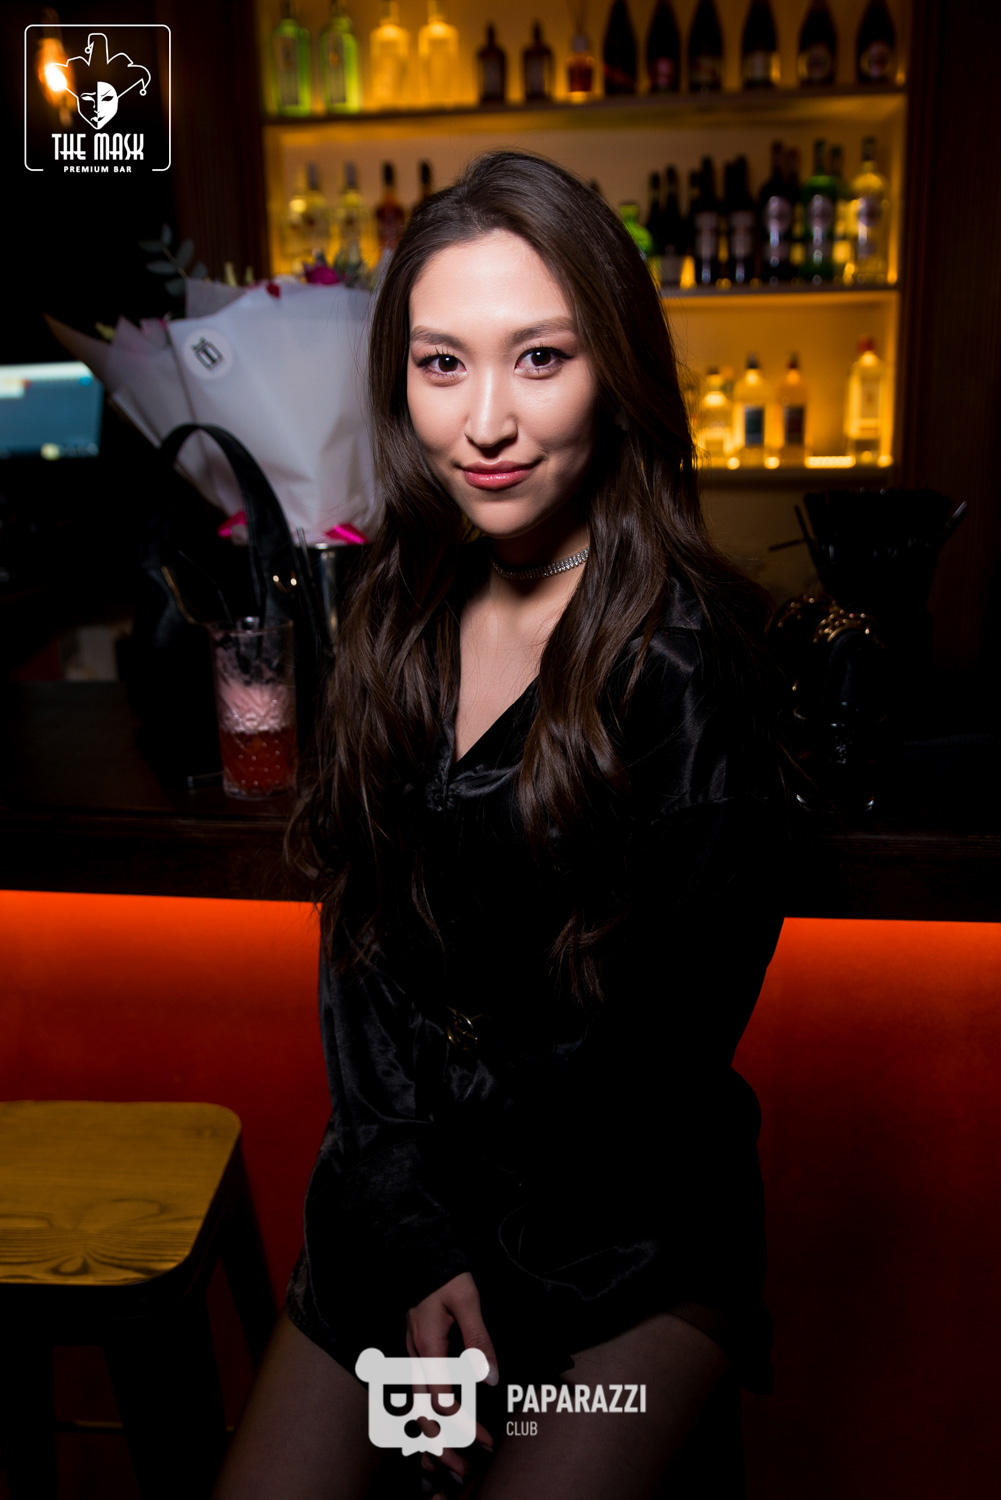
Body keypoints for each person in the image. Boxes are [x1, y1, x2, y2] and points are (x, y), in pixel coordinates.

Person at [212, 148, 793, 1500]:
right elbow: (362, 953)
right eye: (442, 364)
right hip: (406, 1200)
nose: (485, 422)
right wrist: (410, 1230)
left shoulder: (686, 660)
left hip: (619, 1241)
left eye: (539, 359)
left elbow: (655, 1062)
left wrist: (469, 1278)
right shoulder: (401, 610)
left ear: (615, 370)